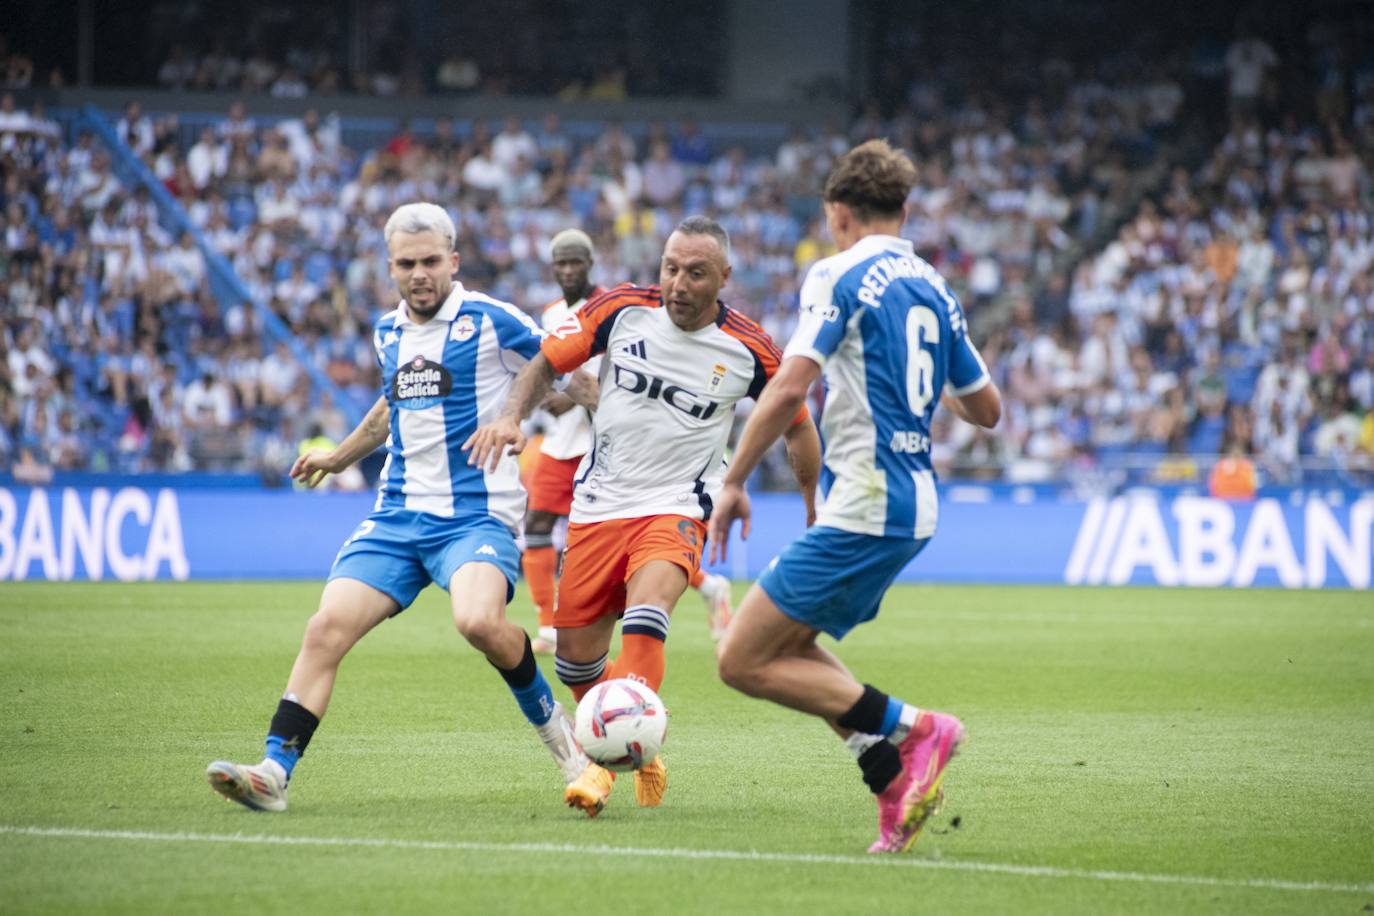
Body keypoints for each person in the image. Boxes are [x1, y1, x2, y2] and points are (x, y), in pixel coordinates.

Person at [206, 202, 596, 812]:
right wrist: (338, 457)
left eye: (432, 261)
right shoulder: (387, 331)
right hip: (397, 517)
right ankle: (273, 773)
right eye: (407, 264)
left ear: (454, 261)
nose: (420, 273)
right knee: (324, 629)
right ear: (390, 269)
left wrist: (527, 413)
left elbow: (566, 371)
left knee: (478, 624)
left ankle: (569, 751)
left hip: (475, 515)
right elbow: (392, 408)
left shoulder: (492, 320)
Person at [466, 216, 822, 817]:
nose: (679, 283)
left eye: (696, 273)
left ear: (724, 277)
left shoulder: (751, 349)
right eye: (671, 268)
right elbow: (547, 363)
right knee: (576, 660)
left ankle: (601, 769)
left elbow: (799, 426)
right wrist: (511, 415)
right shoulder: (621, 310)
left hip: (678, 506)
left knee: (647, 616)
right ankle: (642, 747)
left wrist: (815, 508)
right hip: (598, 507)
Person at [707, 140, 1002, 854]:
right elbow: (986, 408)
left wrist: (734, 479)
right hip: (911, 503)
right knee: (794, 646)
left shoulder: (837, 274)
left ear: (837, 213)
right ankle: (893, 785)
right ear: (903, 212)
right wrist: (914, 389)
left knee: (740, 661)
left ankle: (919, 728)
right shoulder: (935, 286)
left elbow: (788, 388)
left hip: (867, 500)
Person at [522, 229, 735, 657]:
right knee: (536, 526)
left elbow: (622, 377)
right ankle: (548, 623)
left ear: (590, 264)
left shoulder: (617, 307)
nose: (568, 270)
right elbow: (555, 366)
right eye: (560, 263)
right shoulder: (549, 314)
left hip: (610, 445)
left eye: (575, 262)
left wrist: (570, 398)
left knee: (630, 537)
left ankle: (705, 586)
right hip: (561, 443)